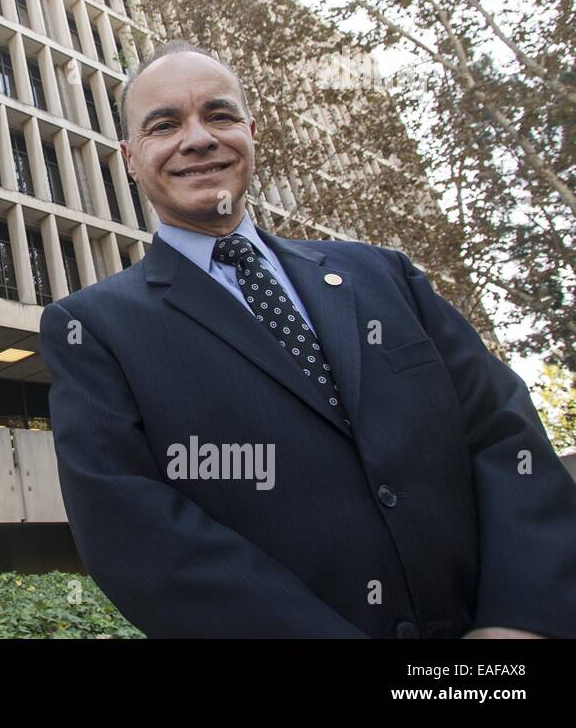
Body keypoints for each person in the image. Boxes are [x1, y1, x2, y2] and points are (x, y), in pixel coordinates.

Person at [39, 41, 576, 638]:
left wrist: (520, 622)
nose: (197, 139)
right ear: (131, 158)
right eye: (164, 125)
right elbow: (135, 530)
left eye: (218, 115)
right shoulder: (92, 328)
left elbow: (502, 434)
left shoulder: (386, 276)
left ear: (250, 132)